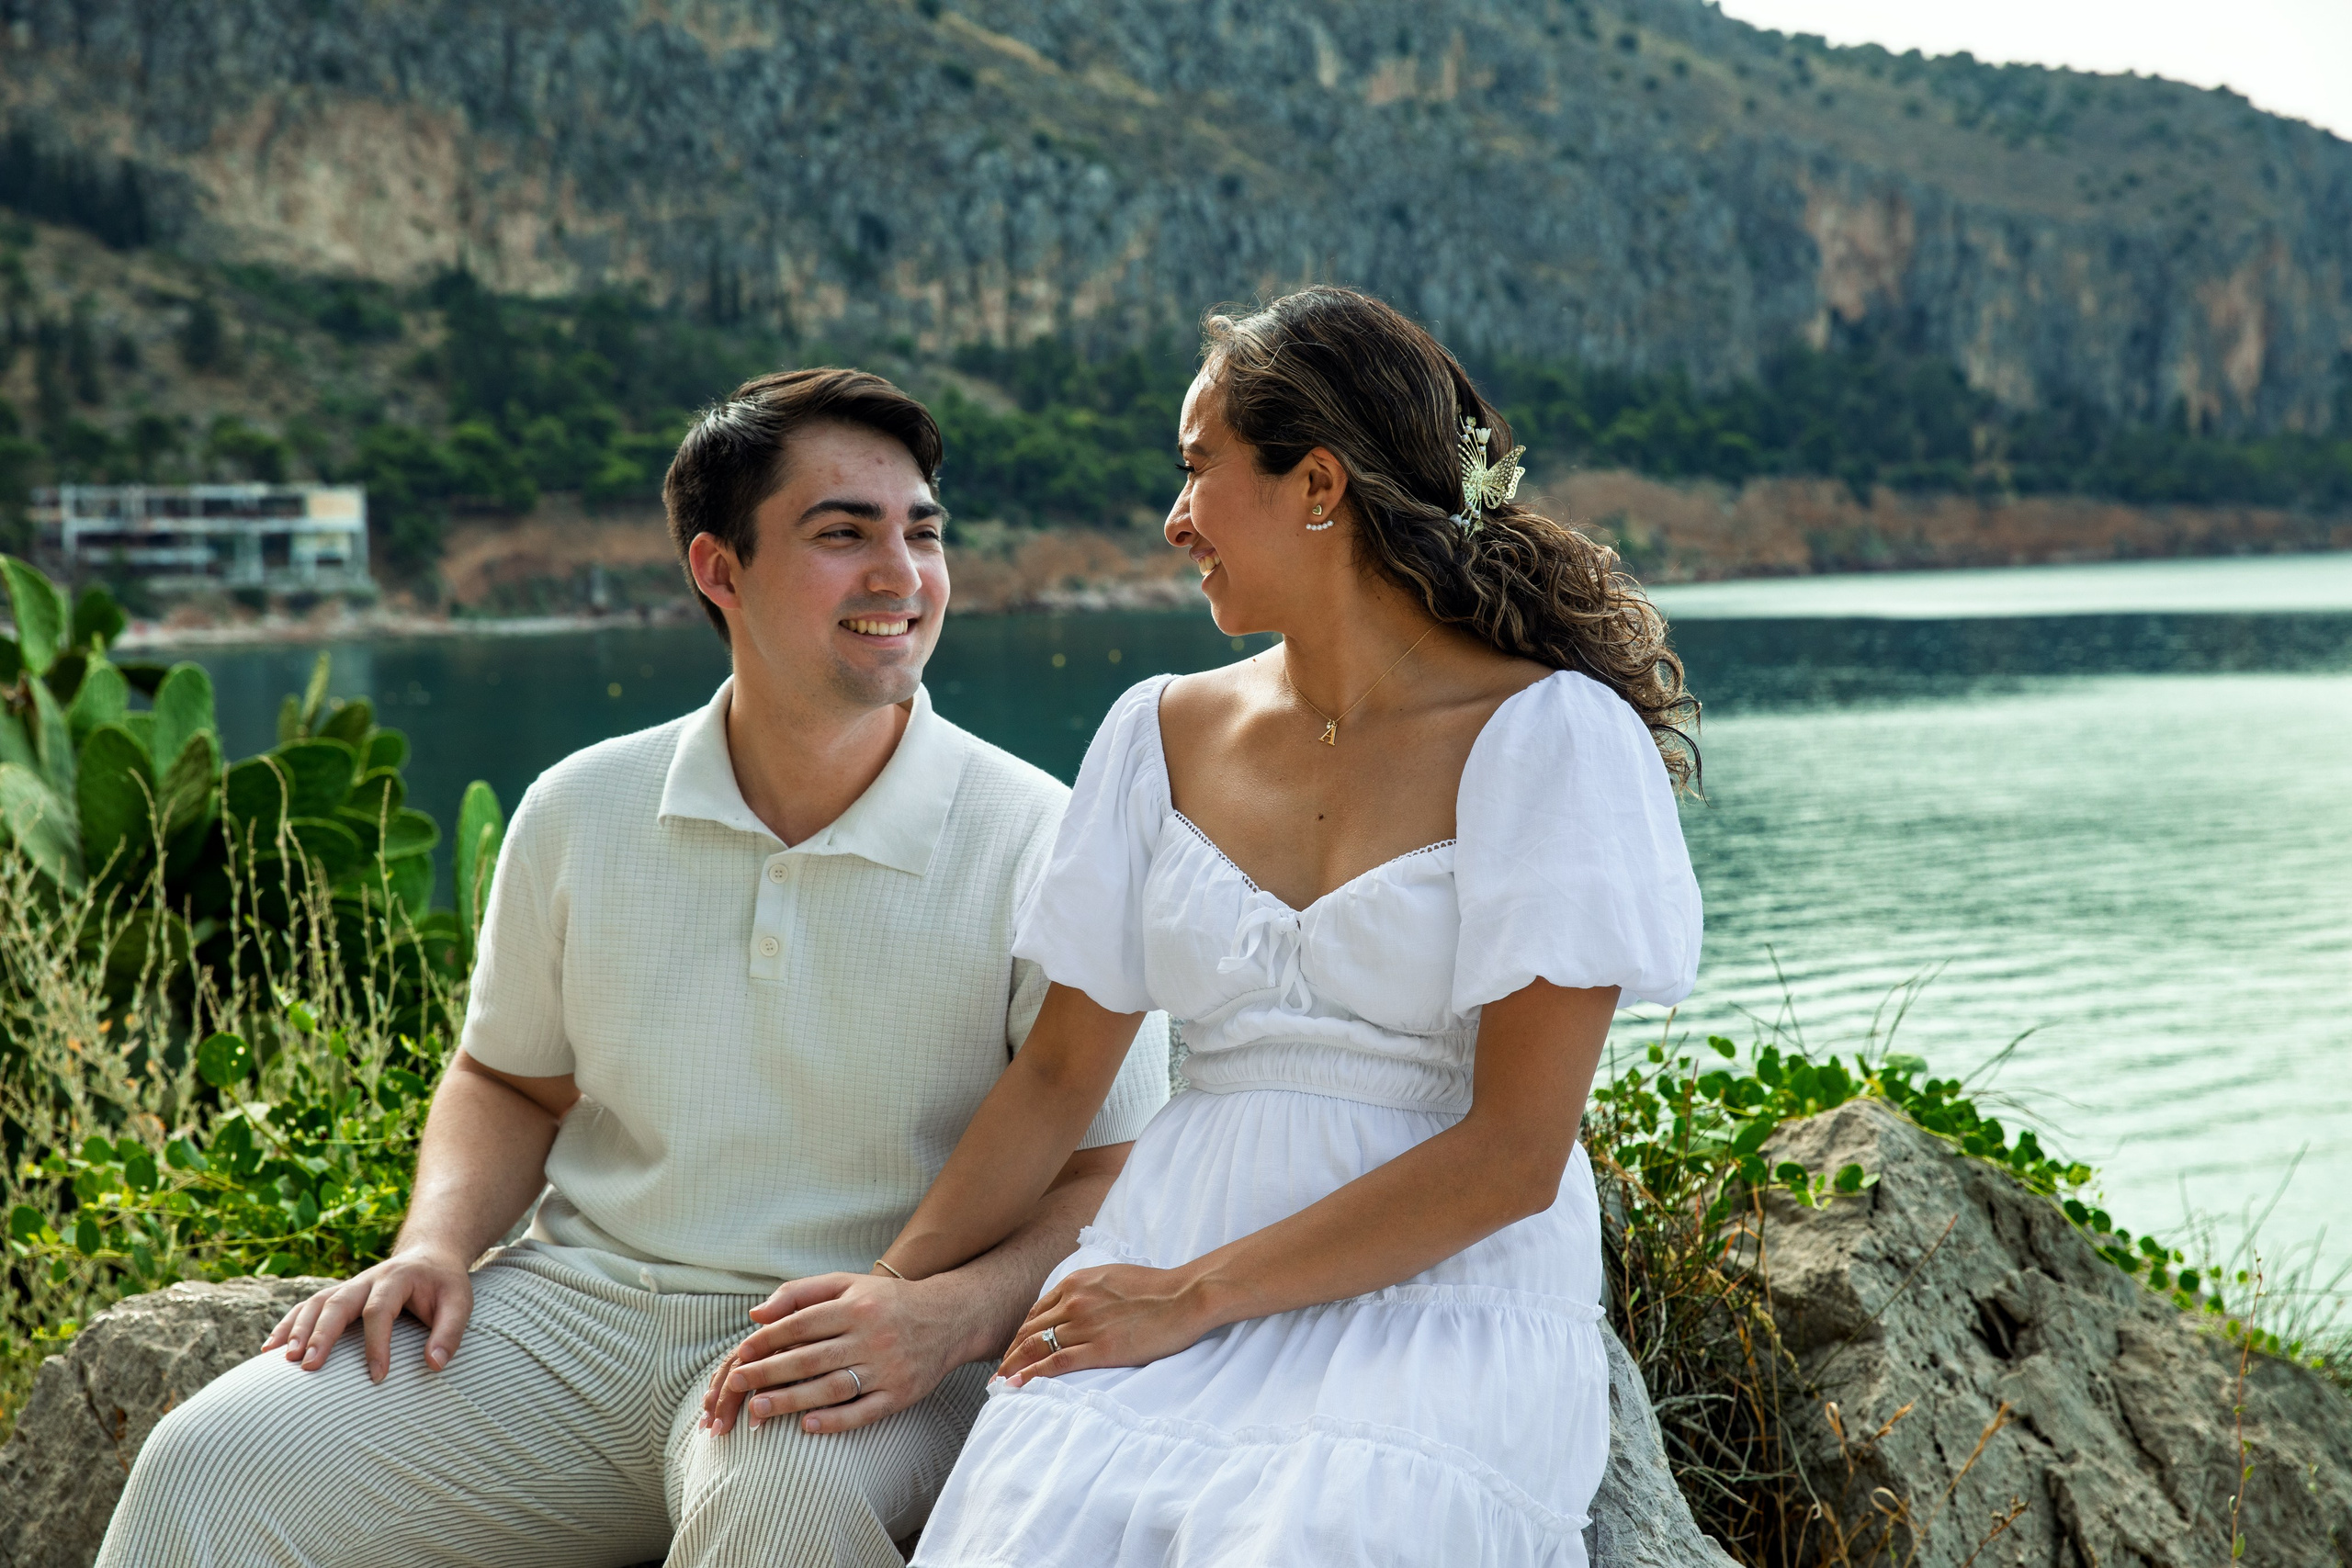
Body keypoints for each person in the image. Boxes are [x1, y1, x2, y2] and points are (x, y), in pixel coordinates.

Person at [96, 367, 1171, 1568]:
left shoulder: (1039, 837)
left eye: (922, 533)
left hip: (865, 1348)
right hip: (575, 1326)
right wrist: (433, 1244)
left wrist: (949, 1315)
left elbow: (1113, 1172)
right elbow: (508, 1081)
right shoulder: (581, 808)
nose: (901, 575)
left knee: (777, 1504)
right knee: (208, 1466)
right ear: (721, 570)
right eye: (843, 533)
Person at [865, 288, 1703, 1567]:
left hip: (1442, 1296)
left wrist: (1192, 1300)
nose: (1175, 518)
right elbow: (1058, 1075)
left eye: (1199, 470)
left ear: (1317, 484)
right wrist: (897, 1292)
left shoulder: (1552, 741)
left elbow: (1515, 1154)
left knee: (1315, 1539)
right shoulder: (1156, 734)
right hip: (1168, 1241)